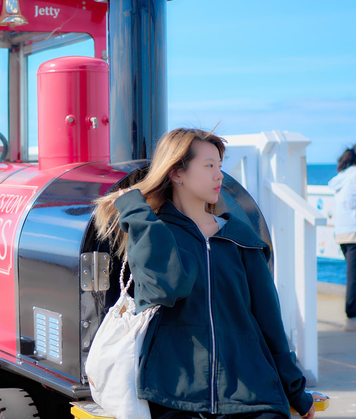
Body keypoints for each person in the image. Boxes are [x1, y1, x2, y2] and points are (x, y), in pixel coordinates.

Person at [93, 128, 315, 419]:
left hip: (251, 395)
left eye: (220, 167)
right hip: (174, 396)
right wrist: (137, 214)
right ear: (176, 173)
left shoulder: (238, 236)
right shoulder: (155, 232)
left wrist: (295, 390)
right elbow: (165, 288)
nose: (219, 176)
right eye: (209, 166)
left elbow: (268, 319)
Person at [327, 146, 356, 332]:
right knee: (353, 277)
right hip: (354, 231)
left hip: (343, 232)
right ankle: (352, 318)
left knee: (353, 275)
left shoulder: (343, 177)